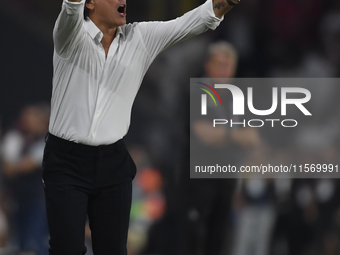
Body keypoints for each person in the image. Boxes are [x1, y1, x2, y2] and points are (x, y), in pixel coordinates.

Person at [43, 0, 241, 254]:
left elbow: (192, 22)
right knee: (66, 250)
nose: (122, 0)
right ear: (90, 3)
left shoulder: (141, 38)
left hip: (113, 163)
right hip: (66, 162)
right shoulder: (69, 35)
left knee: (114, 250)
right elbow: (70, 9)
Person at [177, 41, 260, 255]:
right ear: (208, 65)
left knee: (220, 239)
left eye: (229, 64)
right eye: (220, 63)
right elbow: (205, 135)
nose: (224, 69)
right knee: (191, 237)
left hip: (226, 179)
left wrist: (222, 133)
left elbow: (252, 137)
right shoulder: (196, 92)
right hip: (197, 181)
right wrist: (234, 134)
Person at [1, 104, 50, 255]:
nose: (27, 121)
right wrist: (19, 165)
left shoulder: (47, 140)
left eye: (32, 118)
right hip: (16, 198)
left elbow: (29, 165)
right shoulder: (15, 137)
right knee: (18, 243)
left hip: (39, 200)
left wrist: (18, 165)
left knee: (34, 243)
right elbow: (8, 169)